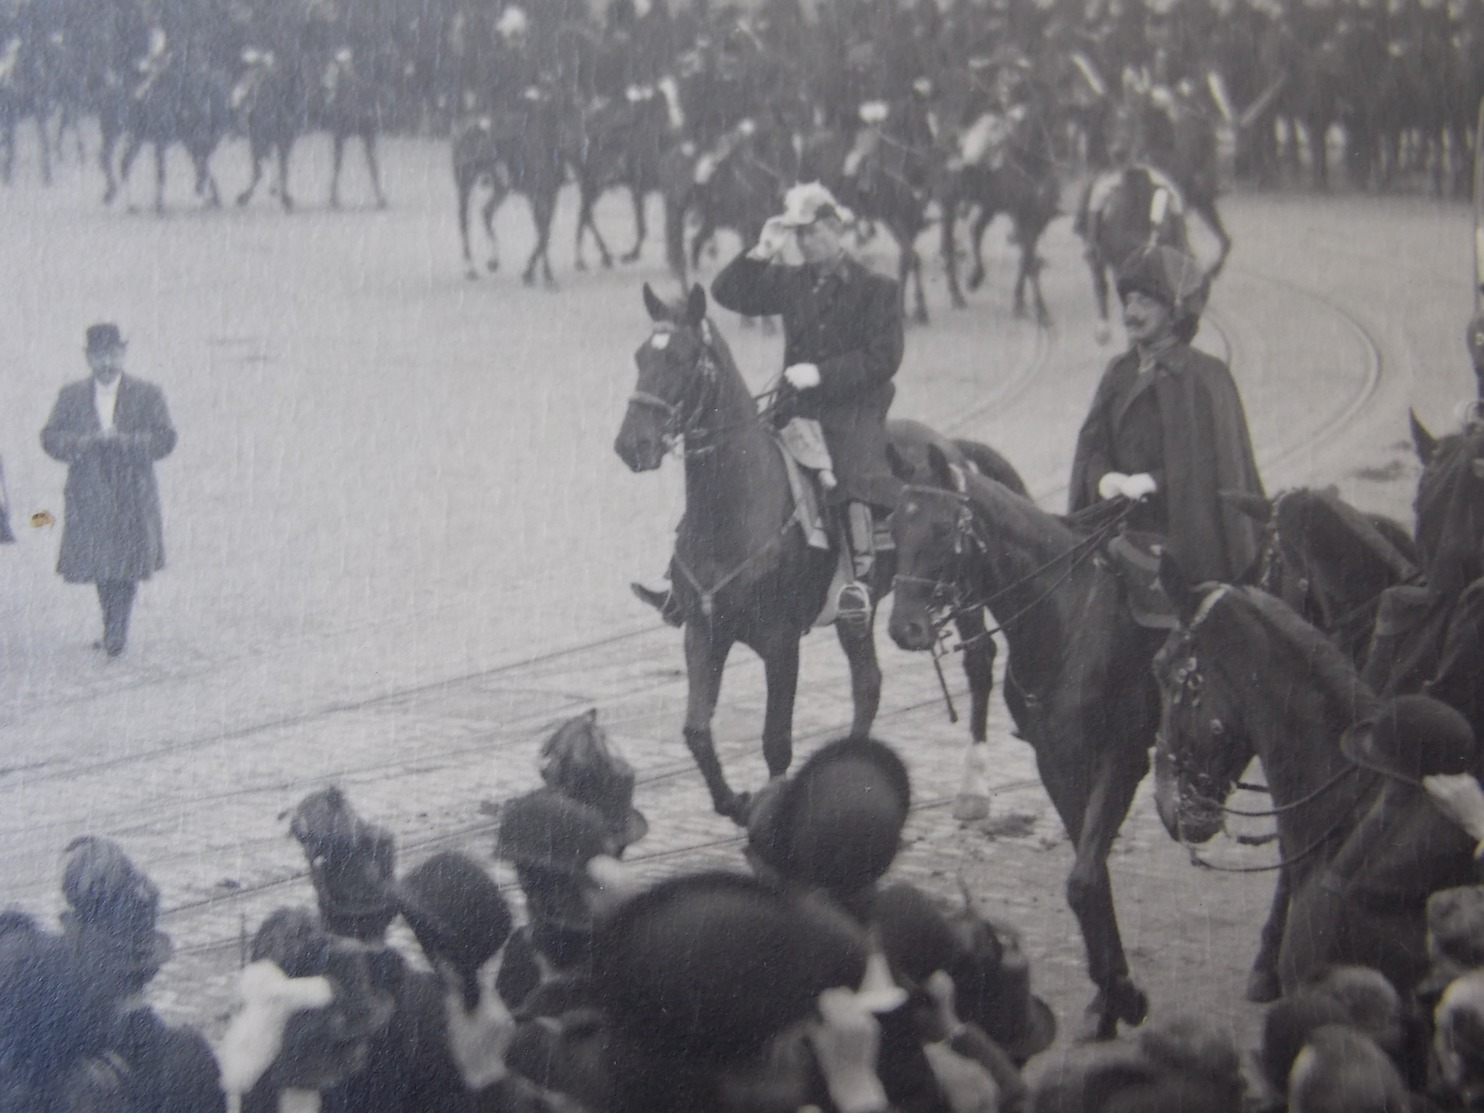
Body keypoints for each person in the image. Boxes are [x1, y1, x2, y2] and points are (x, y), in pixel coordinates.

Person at [637, 182, 903, 631]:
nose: (804, 242)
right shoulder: (792, 281)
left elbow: (884, 356)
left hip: (851, 409)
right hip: (794, 406)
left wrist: (822, 374)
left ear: (837, 229)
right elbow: (726, 293)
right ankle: (683, 576)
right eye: (798, 235)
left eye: (813, 232)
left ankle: (859, 580)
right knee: (729, 465)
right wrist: (761, 251)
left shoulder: (876, 288)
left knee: (851, 474)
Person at [1068, 244, 1264, 584]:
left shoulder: (1206, 377)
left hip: (1185, 542)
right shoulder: (1119, 371)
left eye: (1144, 301)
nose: (1131, 313)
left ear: (1174, 313)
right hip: (1117, 530)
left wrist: (1153, 481)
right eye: (1128, 301)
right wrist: (1103, 479)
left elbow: (1209, 466)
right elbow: (1092, 446)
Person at [41, 323, 176, 658]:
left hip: (132, 491)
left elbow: (165, 439)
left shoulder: (147, 393)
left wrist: (126, 442)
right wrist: (86, 442)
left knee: (126, 563)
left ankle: (116, 632)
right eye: (99, 356)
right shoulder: (71, 395)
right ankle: (111, 628)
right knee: (103, 564)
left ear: (123, 353)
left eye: (113, 354)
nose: (107, 363)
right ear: (88, 358)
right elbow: (50, 438)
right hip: (90, 491)